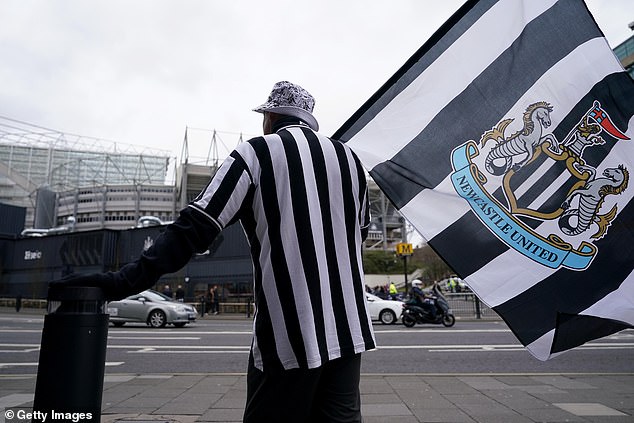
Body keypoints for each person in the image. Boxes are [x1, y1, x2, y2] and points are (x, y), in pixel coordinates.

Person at [53, 80, 375, 422]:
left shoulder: (257, 152)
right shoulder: (350, 160)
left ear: (270, 117)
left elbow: (195, 227)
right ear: (308, 118)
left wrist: (121, 282)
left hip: (290, 333)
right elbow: (360, 234)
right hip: (349, 329)